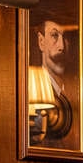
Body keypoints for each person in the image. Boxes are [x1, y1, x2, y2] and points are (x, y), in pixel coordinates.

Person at [29, 17, 76, 145]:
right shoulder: (32, 89)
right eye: (54, 35)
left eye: (65, 37)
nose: (62, 46)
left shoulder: (79, 91)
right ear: (41, 41)